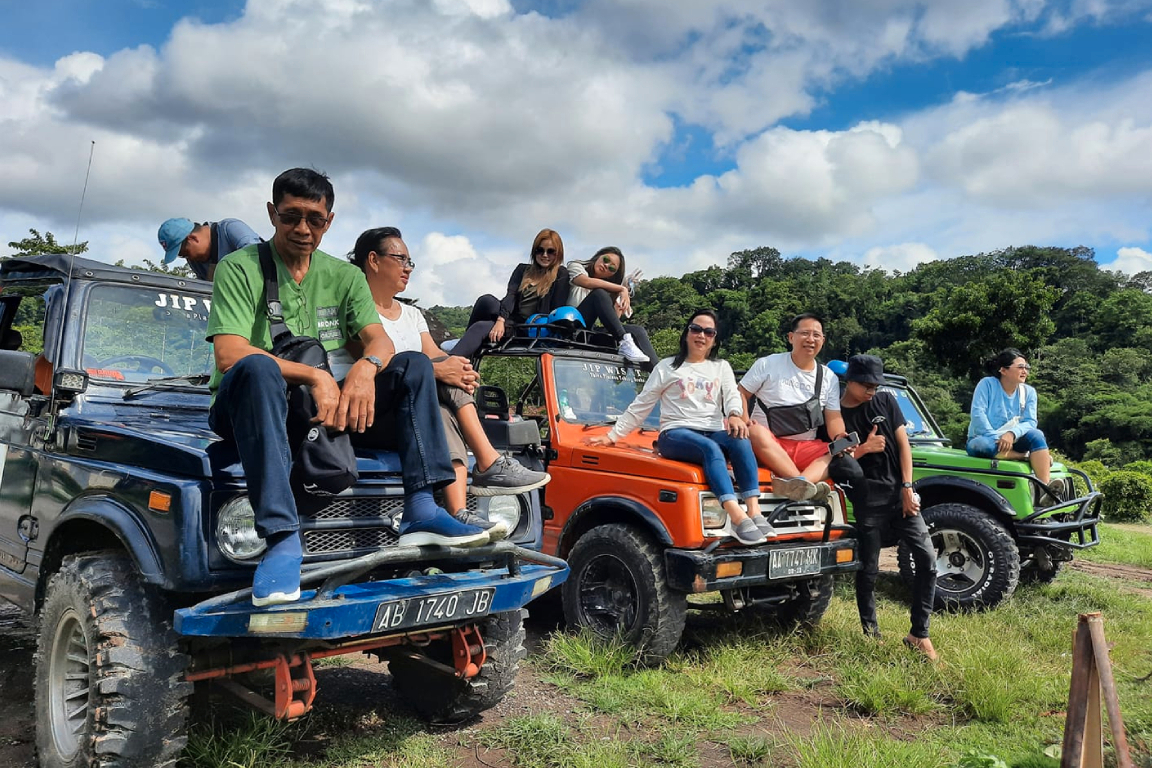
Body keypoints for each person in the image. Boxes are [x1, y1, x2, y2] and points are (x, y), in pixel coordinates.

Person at [207, 169, 490, 607]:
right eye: (291, 216)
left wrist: (366, 367)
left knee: (414, 364)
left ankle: (421, 509)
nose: (302, 229)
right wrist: (318, 376)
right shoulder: (239, 268)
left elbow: (377, 339)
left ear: (329, 221)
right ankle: (282, 538)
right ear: (271, 213)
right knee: (259, 369)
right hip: (251, 404)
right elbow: (229, 354)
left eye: (314, 220)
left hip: (323, 407)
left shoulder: (343, 275)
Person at [341, 226, 551, 534]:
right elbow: (382, 361)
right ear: (373, 260)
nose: (408, 268)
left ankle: (458, 512)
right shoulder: (354, 308)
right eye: (401, 259)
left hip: (416, 415)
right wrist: (442, 370)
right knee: (433, 372)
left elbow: (436, 354)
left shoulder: (412, 315)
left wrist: (458, 369)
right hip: (375, 410)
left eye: (411, 261)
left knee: (442, 401)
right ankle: (488, 461)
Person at [586, 310, 775, 545]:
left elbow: (732, 396)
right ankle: (736, 516)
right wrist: (612, 436)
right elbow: (643, 404)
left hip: (713, 428)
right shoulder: (667, 367)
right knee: (710, 449)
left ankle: (754, 512)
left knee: (740, 440)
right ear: (686, 333)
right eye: (695, 329)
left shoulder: (721, 367)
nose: (701, 336)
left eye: (708, 332)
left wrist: (736, 415)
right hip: (675, 433)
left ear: (714, 339)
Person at [840, 354, 937, 660]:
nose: (871, 389)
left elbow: (904, 444)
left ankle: (919, 634)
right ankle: (871, 634)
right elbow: (833, 464)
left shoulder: (885, 401)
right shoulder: (835, 415)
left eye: (875, 384)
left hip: (901, 497)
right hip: (867, 499)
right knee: (868, 570)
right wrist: (864, 450)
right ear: (849, 381)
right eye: (866, 384)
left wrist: (909, 487)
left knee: (928, 560)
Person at [738, 313, 848, 501]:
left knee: (839, 452)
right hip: (769, 445)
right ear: (791, 337)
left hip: (806, 447)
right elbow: (740, 393)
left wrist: (840, 437)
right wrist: (743, 420)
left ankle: (799, 484)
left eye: (816, 335)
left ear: (823, 340)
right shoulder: (768, 364)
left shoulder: (829, 377)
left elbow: (834, 418)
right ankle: (801, 484)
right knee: (754, 431)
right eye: (805, 333)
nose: (810, 339)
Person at [451, 229, 571, 359]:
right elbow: (511, 295)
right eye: (540, 250)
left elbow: (556, 309)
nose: (545, 255)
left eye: (551, 251)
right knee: (486, 300)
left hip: (529, 326)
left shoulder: (560, 274)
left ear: (558, 254)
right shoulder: (522, 270)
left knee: (480, 327)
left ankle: (454, 360)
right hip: (509, 316)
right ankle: (465, 344)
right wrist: (501, 320)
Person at [967, 348, 1058, 495]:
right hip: (986, 439)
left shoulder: (1029, 392)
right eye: (1020, 367)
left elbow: (1030, 421)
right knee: (982, 446)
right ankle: (1025, 456)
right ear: (1003, 370)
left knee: (1037, 435)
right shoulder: (987, 384)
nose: (1025, 371)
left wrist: (1011, 434)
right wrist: (997, 438)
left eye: (1026, 368)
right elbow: (978, 414)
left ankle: (1045, 489)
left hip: (1014, 439)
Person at [565, 246, 656, 366]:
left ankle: (659, 376)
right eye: (606, 259)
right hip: (570, 326)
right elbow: (586, 282)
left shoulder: (607, 290)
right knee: (598, 293)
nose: (606, 265)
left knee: (637, 331)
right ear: (598, 256)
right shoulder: (576, 267)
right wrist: (621, 288)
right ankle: (625, 341)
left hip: (588, 332)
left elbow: (612, 324)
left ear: (611, 275)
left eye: (612, 268)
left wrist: (621, 298)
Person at [157, 217, 263, 281]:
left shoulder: (231, 229)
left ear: (193, 238)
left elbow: (258, 260)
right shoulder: (196, 262)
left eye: (185, 254)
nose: (188, 259)